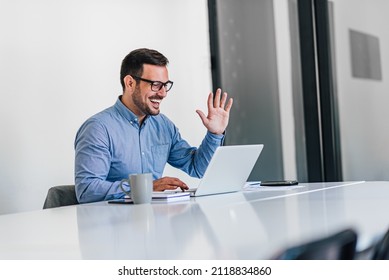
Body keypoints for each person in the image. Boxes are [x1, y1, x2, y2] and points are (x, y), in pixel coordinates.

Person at [74, 48, 233, 203]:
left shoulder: (163, 125)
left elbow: (198, 168)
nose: (163, 93)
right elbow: (87, 190)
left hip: (155, 220)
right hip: (113, 223)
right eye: (156, 84)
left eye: (166, 85)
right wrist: (146, 187)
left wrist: (215, 134)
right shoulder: (98, 128)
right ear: (130, 83)